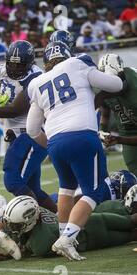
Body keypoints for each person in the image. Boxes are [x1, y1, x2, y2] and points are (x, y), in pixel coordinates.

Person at [25, 41, 124, 261]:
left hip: (55, 142)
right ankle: (68, 238)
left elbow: (32, 130)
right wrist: (110, 71)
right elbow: (115, 85)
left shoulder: (37, 82)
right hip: (82, 135)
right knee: (93, 191)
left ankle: (63, 233)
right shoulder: (78, 64)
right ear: (68, 54)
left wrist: (51, 145)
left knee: (67, 188)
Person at [0, 40, 56, 212]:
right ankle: (59, 218)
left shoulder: (35, 77)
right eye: (12, 64)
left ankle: (34, 221)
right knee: (35, 191)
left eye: (20, 65)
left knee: (13, 180)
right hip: (18, 137)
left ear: (30, 63)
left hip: (32, 135)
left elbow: (15, 110)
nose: (15, 69)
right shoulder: (2, 71)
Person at [0, 194, 137, 259]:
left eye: (17, 225)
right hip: (90, 219)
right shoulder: (37, 210)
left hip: (93, 238)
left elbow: (27, 251)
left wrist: (11, 252)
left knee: (132, 234)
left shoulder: (40, 242)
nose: (14, 228)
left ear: (29, 220)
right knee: (130, 221)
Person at [96, 53, 137, 176]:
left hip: (127, 135)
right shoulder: (103, 87)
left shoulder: (134, 86)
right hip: (128, 131)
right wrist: (103, 131)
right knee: (134, 170)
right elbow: (105, 113)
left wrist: (119, 139)